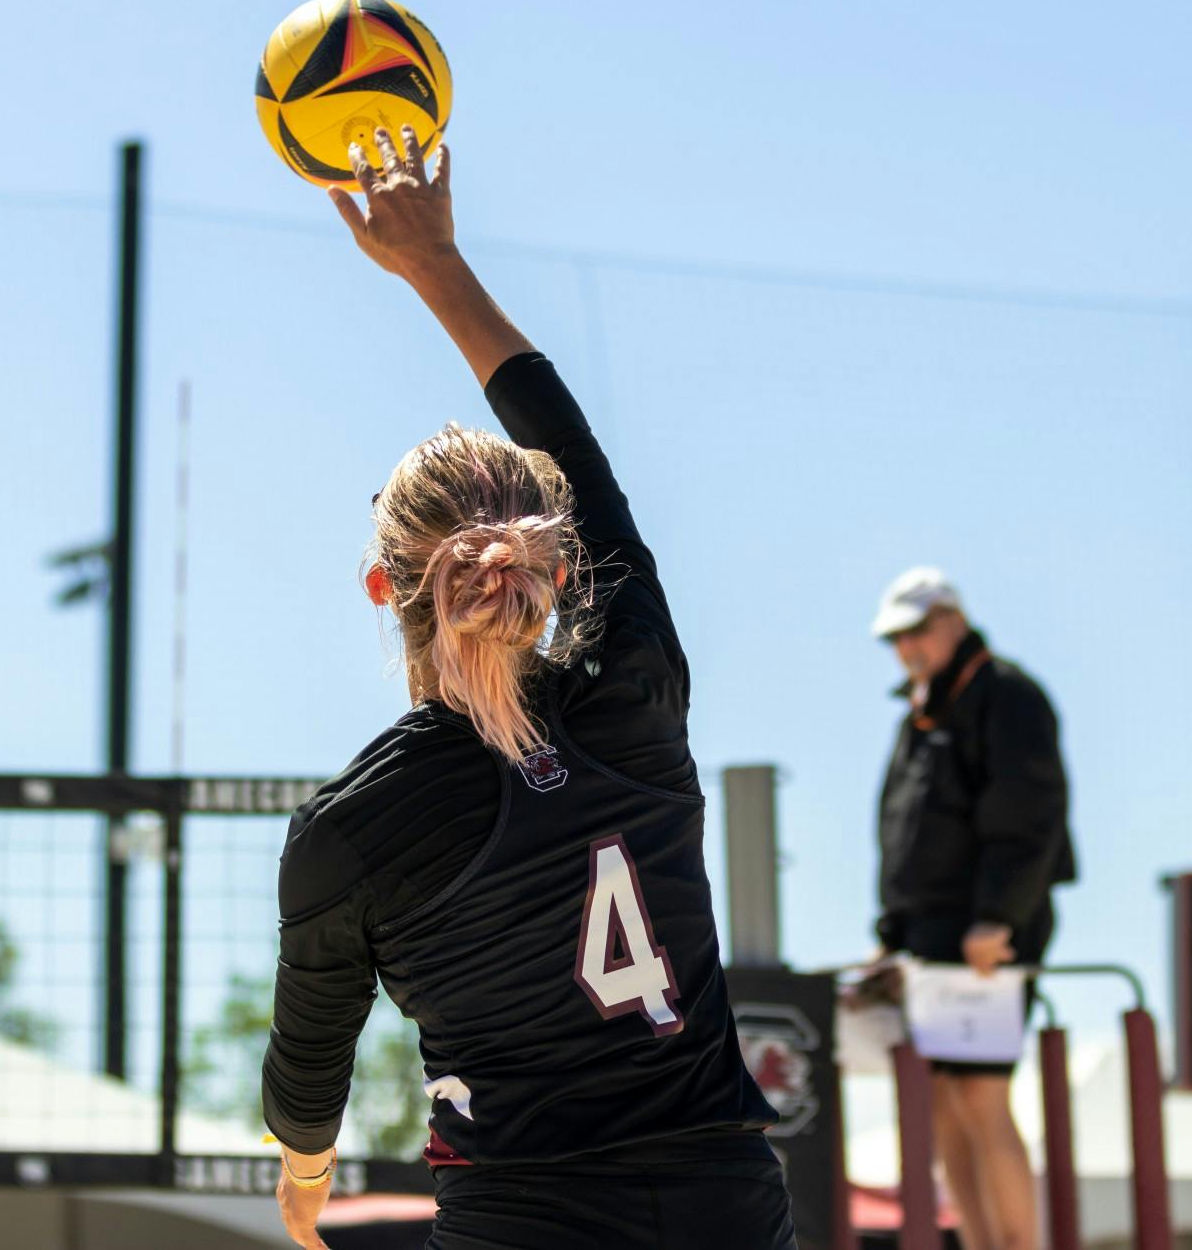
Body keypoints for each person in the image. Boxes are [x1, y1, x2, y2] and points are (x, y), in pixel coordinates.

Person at [258, 127, 797, 1250]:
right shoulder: (630, 680)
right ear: (557, 567)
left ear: (379, 586)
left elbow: (307, 1080)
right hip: (724, 1212)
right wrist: (435, 263)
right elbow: (574, 450)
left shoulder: (350, 828)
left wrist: (303, 1187)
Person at [867, 566, 1076, 1250]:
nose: (908, 647)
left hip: (987, 933)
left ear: (953, 619)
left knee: (982, 1096)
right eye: (897, 637)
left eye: (917, 630)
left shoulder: (1008, 697)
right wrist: (891, 934)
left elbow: (1031, 813)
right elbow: (902, 830)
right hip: (929, 934)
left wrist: (1000, 917)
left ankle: (1019, 1243)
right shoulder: (922, 711)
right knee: (947, 1106)